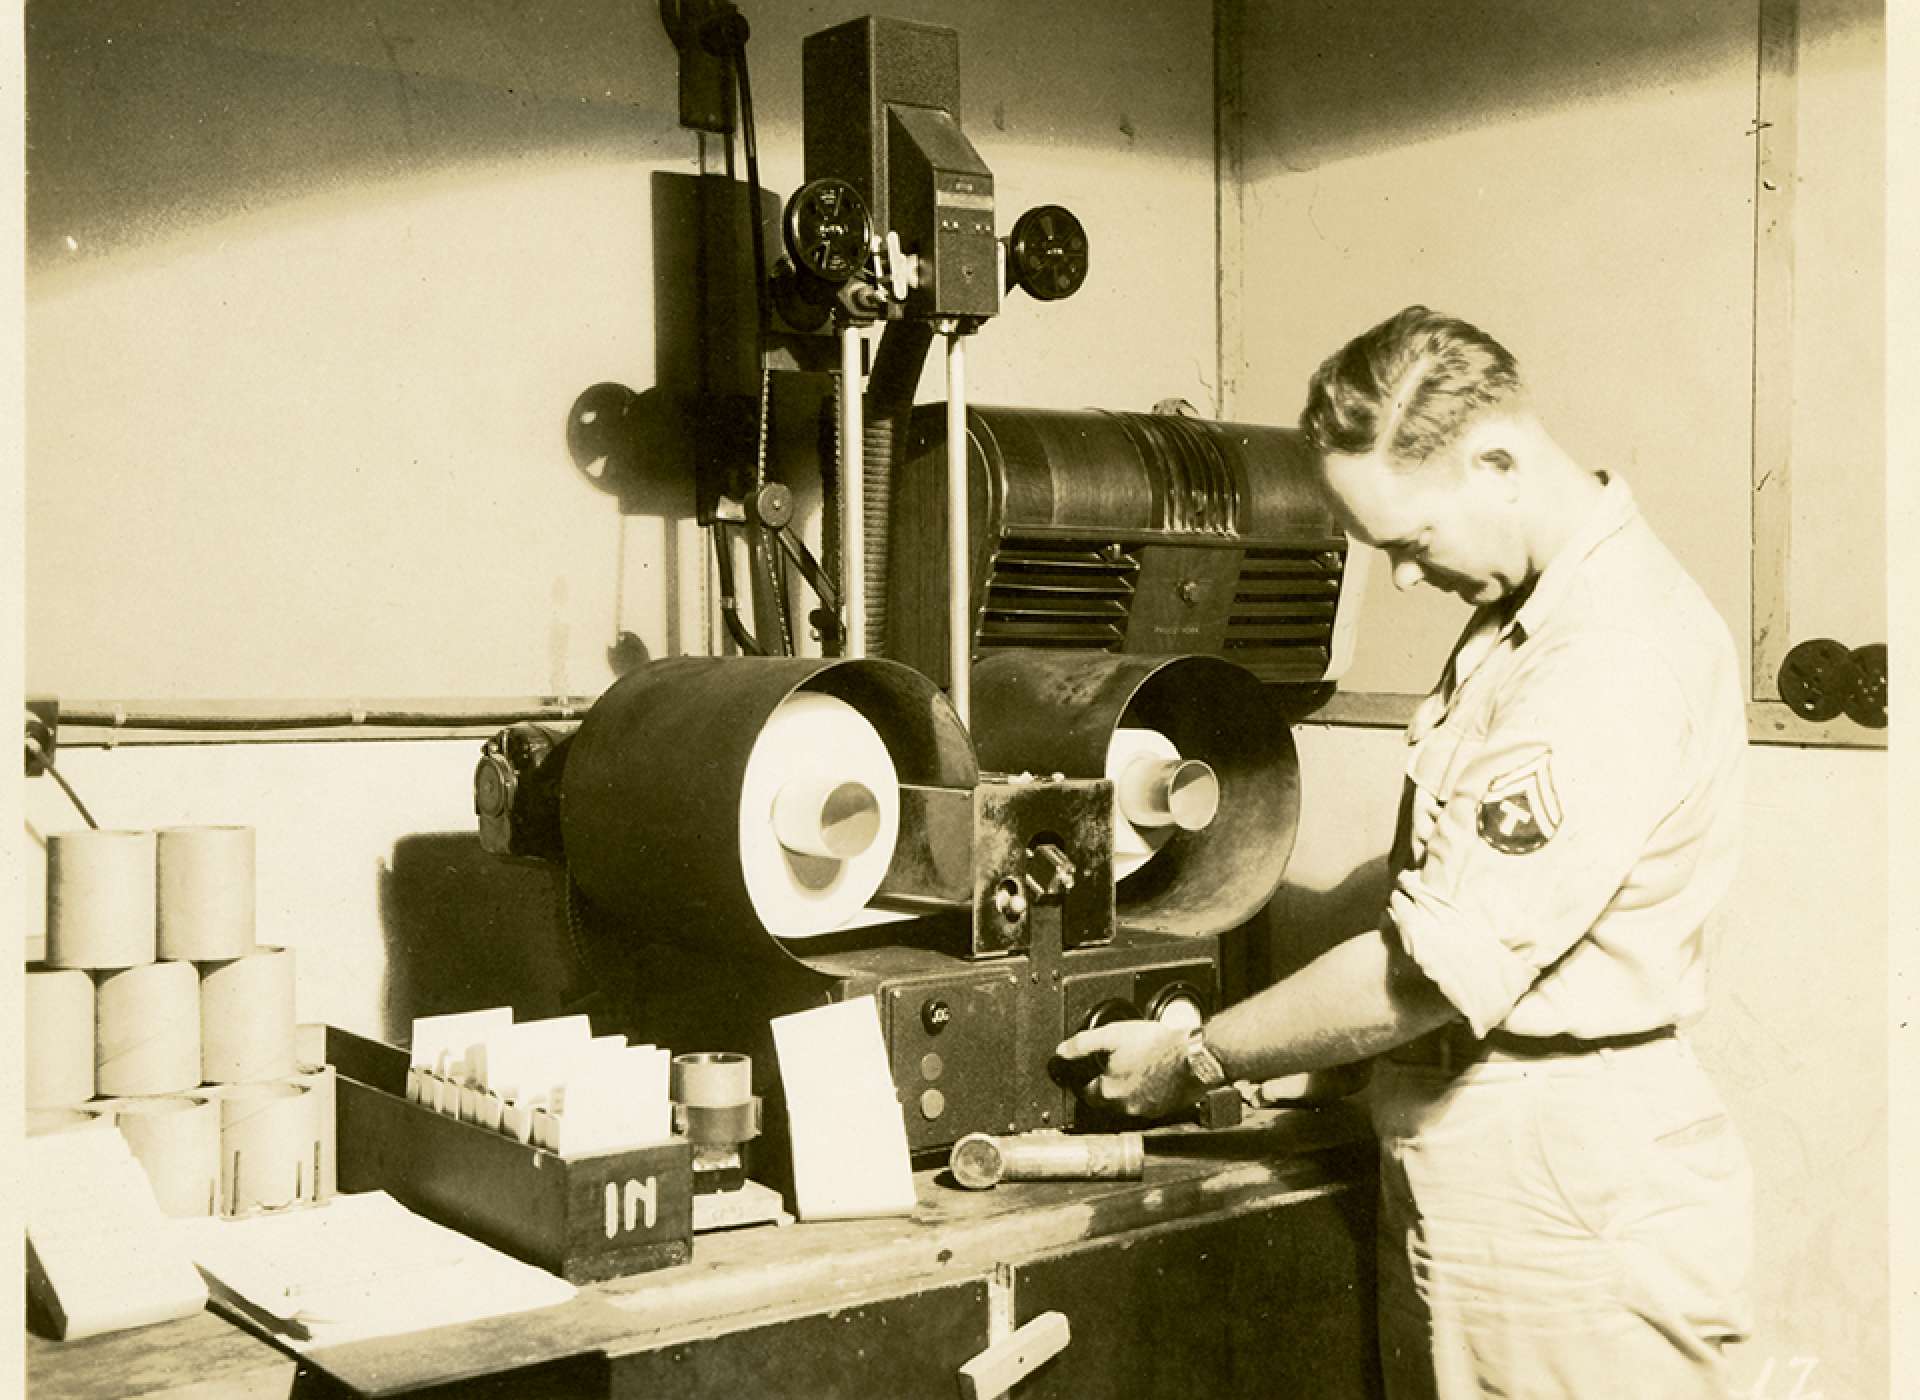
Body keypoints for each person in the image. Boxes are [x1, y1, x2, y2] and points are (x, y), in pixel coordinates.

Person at [1054, 306, 1754, 1398]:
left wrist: (1197, 1059)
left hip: (1558, 1178)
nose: (1409, 581)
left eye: (1411, 543)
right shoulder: (1526, 615)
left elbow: (1424, 971)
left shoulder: (1604, 655)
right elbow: (1447, 879)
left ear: (1500, 459)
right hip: (1492, 1142)